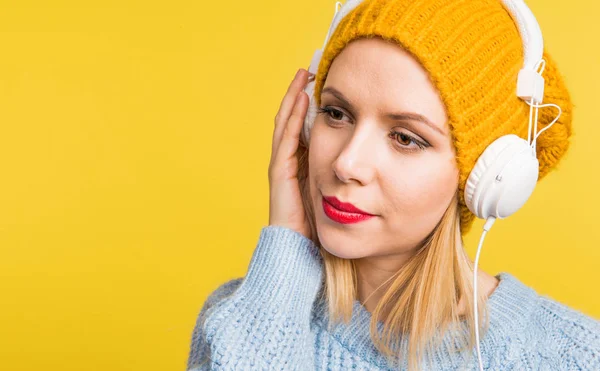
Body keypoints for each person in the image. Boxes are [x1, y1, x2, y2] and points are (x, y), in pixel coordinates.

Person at [186, 0, 600, 370]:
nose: (347, 163)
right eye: (335, 113)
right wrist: (285, 248)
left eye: (405, 137)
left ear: (486, 177)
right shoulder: (245, 318)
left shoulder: (575, 355)